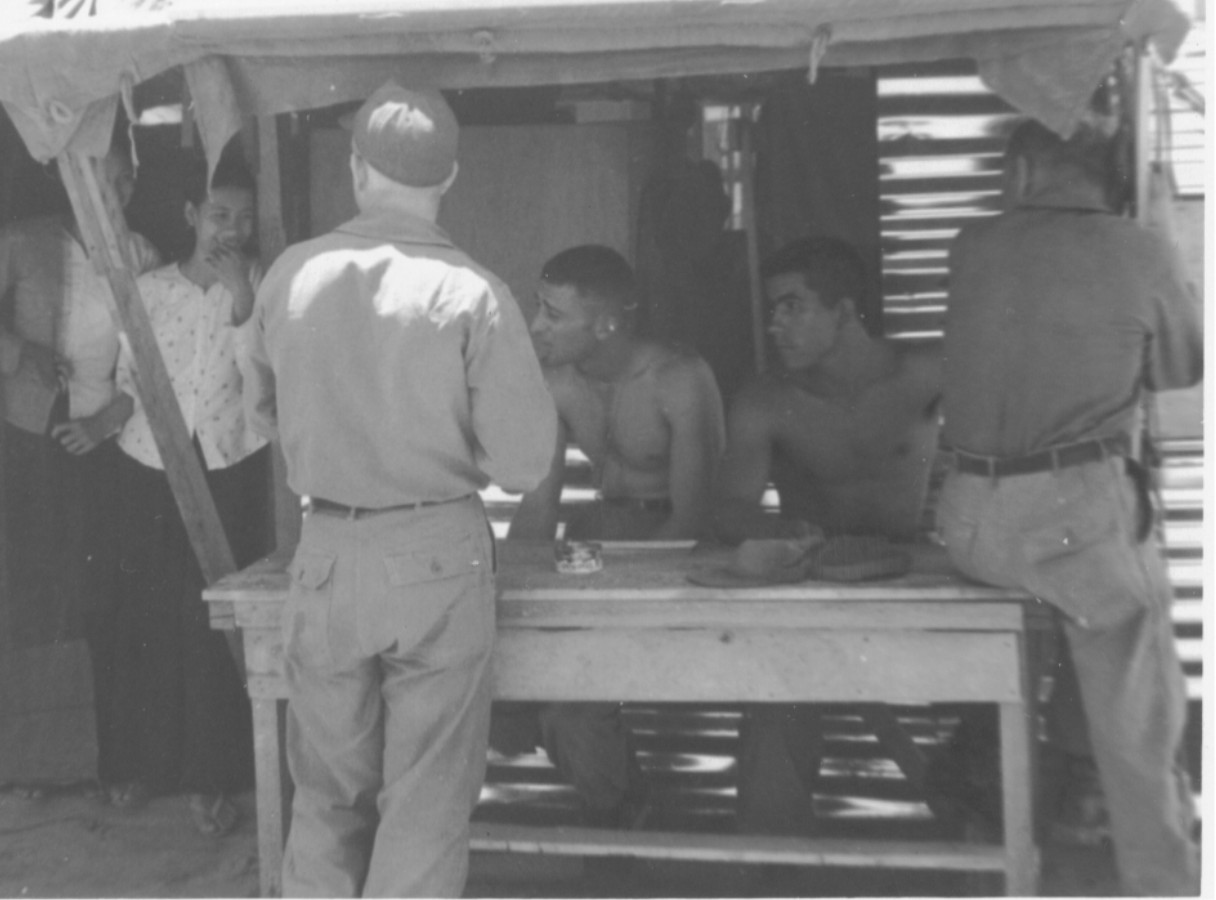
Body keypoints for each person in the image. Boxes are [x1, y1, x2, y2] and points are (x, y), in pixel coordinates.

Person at [244, 81, 557, 897]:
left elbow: (261, 408)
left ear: (356, 167)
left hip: (326, 552)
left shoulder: (289, 275)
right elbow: (524, 463)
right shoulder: (472, 291)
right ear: (449, 176)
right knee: (425, 800)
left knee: (325, 796)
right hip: (435, 557)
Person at [938, 119, 1199, 896]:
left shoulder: (972, 245)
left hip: (970, 527)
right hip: (1066, 525)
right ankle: (1162, 882)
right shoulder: (1138, 248)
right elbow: (1182, 368)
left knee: (1079, 624)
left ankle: (1054, 814)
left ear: (1021, 169)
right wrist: (1158, 230)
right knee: (1140, 704)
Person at [708, 236, 942, 836]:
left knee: (989, 691)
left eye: (793, 307)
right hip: (809, 587)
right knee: (776, 700)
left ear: (843, 311)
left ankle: (976, 835)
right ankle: (771, 854)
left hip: (913, 585)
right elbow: (728, 508)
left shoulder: (924, 375)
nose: (776, 326)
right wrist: (780, 529)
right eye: (773, 310)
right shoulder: (767, 400)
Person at [499, 244, 725, 825]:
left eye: (553, 313)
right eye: (538, 307)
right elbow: (539, 505)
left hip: (676, 556)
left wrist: (612, 603)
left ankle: (625, 818)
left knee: (573, 707)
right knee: (503, 685)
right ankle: (623, 810)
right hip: (599, 542)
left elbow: (692, 519)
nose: (536, 325)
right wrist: (503, 595)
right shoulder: (556, 383)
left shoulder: (679, 378)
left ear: (605, 324)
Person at [80, 153, 267, 829]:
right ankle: (139, 768)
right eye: (219, 215)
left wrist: (242, 300)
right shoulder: (150, 290)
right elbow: (129, 383)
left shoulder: (262, 285)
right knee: (146, 618)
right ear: (191, 216)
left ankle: (209, 777)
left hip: (228, 463)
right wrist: (102, 422)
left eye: (244, 218)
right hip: (149, 464)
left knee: (213, 623)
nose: (232, 231)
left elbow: (263, 380)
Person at [0, 145, 159, 651]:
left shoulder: (141, 256)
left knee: (94, 576)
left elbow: (158, 352)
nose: (118, 193)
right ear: (75, 182)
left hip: (105, 434)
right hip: (23, 430)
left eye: (126, 180)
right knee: (26, 563)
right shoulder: (22, 240)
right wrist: (22, 353)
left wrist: (109, 419)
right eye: (106, 181)